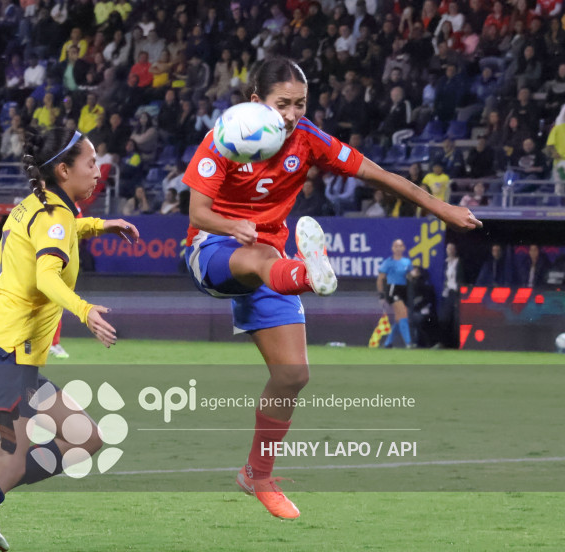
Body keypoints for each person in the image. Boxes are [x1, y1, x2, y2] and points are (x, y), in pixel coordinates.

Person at [182, 56, 480, 520]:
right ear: (256, 101)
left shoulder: (308, 138)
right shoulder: (224, 137)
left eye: (300, 104)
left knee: (293, 376)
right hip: (214, 248)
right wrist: (232, 224)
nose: (292, 114)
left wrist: (441, 209)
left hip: (269, 256)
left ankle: (257, 475)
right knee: (262, 258)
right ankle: (308, 276)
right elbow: (198, 212)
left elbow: (380, 175)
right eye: (283, 104)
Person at [0, 127, 140, 552]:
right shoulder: (54, 214)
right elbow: (46, 276)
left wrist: (98, 225)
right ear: (63, 170)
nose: (98, 171)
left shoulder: (40, 205)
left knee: (86, 438)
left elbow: (61, 229)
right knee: (9, 462)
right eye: (91, 162)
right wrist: (85, 310)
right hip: (1, 352)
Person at [376, 239, 413, 348]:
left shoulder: (407, 262)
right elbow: (380, 279)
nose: (398, 248)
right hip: (393, 289)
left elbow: (410, 276)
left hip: (403, 290)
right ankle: (408, 343)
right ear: (392, 248)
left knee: (399, 318)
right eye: (396, 246)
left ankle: (388, 342)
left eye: (400, 246)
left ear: (404, 248)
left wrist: (412, 276)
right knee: (403, 314)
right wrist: (381, 294)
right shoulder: (388, 262)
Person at [440, 243, 464, 348]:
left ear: (455, 250)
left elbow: (461, 278)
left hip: (456, 292)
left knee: (456, 319)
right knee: (445, 318)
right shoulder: (445, 263)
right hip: (448, 292)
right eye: (448, 248)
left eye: (451, 248)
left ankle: (457, 344)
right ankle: (445, 343)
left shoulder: (459, 262)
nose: (449, 250)